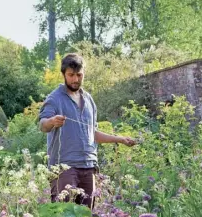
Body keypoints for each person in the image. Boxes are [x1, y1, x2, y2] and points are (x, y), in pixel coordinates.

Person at [39, 53, 136, 208]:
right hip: (64, 168)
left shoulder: (89, 100)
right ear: (63, 74)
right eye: (71, 75)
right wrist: (52, 121)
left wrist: (120, 139)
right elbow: (43, 125)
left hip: (88, 166)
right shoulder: (54, 99)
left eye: (79, 75)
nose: (75, 79)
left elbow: (93, 135)